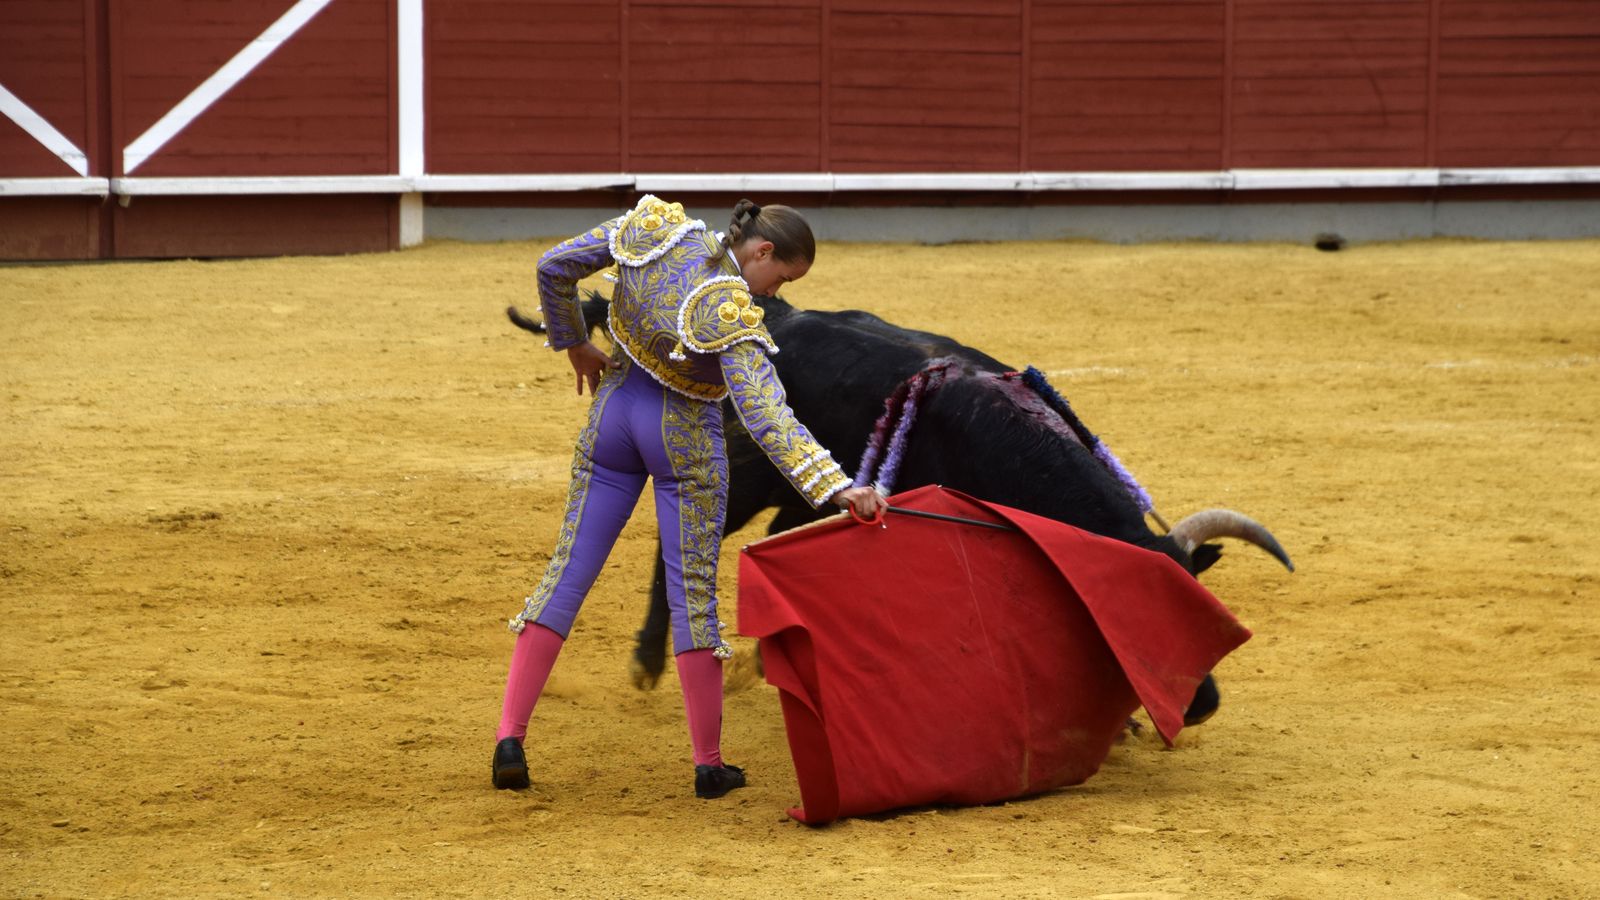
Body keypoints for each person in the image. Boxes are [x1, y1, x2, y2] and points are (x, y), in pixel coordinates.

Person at [493, 196, 887, 799]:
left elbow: (554, 267)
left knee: (566, 575)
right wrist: (837, 487)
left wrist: (573, 340)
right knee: (692, 597)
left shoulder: (656, 228)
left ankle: (509, 739)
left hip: (613, 418)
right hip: (684, 444)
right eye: (781, 278)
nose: (775, 294)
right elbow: (768, 417)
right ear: (761, 251)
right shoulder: (732, 313)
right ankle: (708, 765)